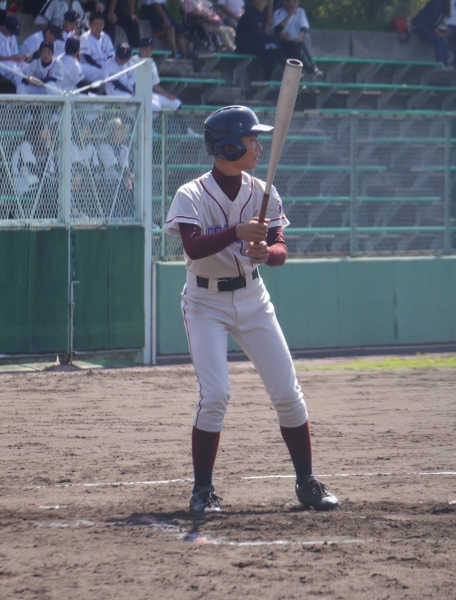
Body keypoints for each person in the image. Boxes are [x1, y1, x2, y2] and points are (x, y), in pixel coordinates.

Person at [163, 105, 340, 515]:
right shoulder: (191, 193)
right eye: (251, 139)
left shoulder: (264, 191)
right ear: (228, 146)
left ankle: (307, 482)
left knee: (288, 394)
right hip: (205, 302)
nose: (259, 146)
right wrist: (237, 233)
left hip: (252, 298)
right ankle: (202, 491)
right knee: (215, 396)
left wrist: (266, 253)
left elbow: (280, 249)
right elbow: (193, 247)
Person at [235, 0, 281, 80]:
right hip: (245, 46)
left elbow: (261, 35)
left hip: (255, 43)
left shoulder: (263, 14)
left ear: (267, 3)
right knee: (272, 46)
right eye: (257, 0)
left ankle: (266, 80)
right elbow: (257, 35)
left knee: (273, 51)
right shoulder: (249, 15)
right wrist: (276, 37)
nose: (259, 3)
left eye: (262, 1)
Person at [131, 37, 181, 110]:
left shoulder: (152, 63)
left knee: (176, 103)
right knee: (156, 108)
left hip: (150, 94)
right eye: (145, 49)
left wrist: (166, 95)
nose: (148, 53)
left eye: (150, 50)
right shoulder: (132, 61)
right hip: (136, 94)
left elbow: (155, 85)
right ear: (139, 49)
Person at [272, 0, 319, 77]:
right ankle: (300, 71)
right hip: (282, 44)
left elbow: (304, 28)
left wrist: (300, 36)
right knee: (288, 49)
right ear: (285, 2)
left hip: (295, 43)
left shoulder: (301, 12)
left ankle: (312, 69)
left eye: (296, 1)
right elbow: (277, 30)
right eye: (293, 1)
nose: (295, 3)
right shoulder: (277, 13)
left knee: (298, 45)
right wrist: (290, 14)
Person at [0, 11, 26, 89]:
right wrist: (12, 58)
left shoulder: (12, 36)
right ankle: (21, 91)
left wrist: (21, 58)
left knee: (28, 68)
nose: (12, 33)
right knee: (17, 73)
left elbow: (15, 54)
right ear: (4, 27)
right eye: (11, 31)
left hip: (10, 62)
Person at [79, 12, 114, 83]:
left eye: (101, 24)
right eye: (95, 24)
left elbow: (111, 55)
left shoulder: (106, 36)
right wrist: (101, 67)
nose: (98, 27)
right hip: (88, 66)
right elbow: (87, 58)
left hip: (104, 64)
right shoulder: (85, 37)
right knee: (105, 74)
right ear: (90, 24)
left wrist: (108, 65)